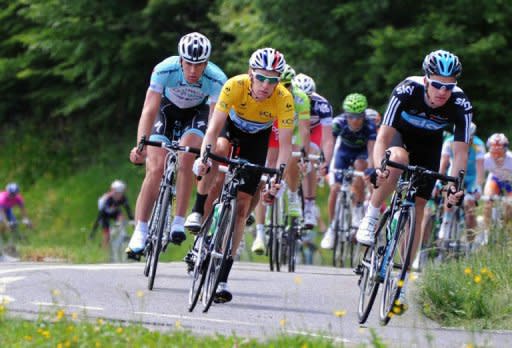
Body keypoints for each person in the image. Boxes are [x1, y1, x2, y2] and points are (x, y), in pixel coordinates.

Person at [356, 49, 471, 313]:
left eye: (449, 86)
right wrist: (377, 168)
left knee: (419, 208)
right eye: (438, 85)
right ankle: (372, 215)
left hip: (429, 147)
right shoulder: (407, 90)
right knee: (397, 159)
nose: (443, 92)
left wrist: (456, 186)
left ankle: (402, 281)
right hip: (399, 138)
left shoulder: (461, 104)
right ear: (426, 79)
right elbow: (383, 137)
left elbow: (460, 152)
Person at [186, 47, 293, 303]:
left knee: (243, 207)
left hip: (257, 139)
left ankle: (222, 278)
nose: (266, 85)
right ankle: (200, 211)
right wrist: (203, 158)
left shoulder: (284, 98)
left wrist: (277, 180)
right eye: (261, 78)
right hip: (229, 130)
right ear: (250, 74)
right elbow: (212, 130)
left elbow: (286, 146)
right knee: (219, 155)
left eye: (273, 80)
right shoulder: (235, 85)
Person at [126, 32, 227, 259]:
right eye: (189, 64)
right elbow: (149, 110)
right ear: (180, 59)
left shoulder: (217, 78)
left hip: (196, 115)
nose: (193, 70)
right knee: (155, 168)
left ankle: (179, 221)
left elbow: (213, 121)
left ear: (206, 63)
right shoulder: (164, 69)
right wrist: (141, 144)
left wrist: (205, 153)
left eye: (199, 65)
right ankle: (140, 231)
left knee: (186, 156)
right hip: (166, 112)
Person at [251, 64, 311, 254]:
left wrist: (304, 155)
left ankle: (293, 197)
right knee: (262, 178)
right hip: (269, 131)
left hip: (288, 132)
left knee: (294, 154)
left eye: (288, 85)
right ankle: (260, 234)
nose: (284, 90)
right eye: (281, 85)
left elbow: (304, 130)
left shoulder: (300, 98)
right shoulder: (267, 94)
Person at [321, 93, 376, 249]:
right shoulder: (338, 123)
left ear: (364, 115)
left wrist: (370, 168)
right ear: (346, 114)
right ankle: (331, 229)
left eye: (359, 116)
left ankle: (358, 208)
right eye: (351, 116)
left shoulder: (370, 126)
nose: (355, 120)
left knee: (361, 167)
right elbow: (329, 145)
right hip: (343, 153)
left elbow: (372, 151)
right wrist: (325, 163)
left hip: (361, 154)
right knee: (335, 189)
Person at [293, 73, 334, 229]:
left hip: (314, 131)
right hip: (295, 130)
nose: (305, 100)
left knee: (310, 157)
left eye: (308, 96)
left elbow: (328, 138)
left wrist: (325, 162)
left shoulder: (322, 105)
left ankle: (309, 205)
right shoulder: (288, 100)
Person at [437, 122, 485, 245]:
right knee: (449, 190)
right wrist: (438, 181)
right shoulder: (449, 142)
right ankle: (446, 222)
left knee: (469, 204)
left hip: (471, 177)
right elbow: (443, 163)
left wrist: (478, 186)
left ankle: (470, 242)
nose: (467, 140)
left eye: (470, 137)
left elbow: (480, 168)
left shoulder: (478, 145)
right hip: (454, 173)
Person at [482, 133, 512, 234]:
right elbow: (477, 174)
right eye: (493, 152)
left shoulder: (511, 159)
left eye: (499, 152)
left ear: (505, 150)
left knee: (509, 205)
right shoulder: (485, 159)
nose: (496, 156)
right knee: (487, 201)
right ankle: (486, 231)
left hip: (510, 183)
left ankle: (505, 228)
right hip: (495, 180)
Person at [92, 180, 134, 249]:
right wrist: (93, 232)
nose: (120, 195)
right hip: (104, 214)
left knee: (121, 216)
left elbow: (128, 211)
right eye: (118, 193)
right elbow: (100, 216)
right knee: (106, 235)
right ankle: (104, 248)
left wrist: (134, 224)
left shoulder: (123, 198)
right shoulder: (107, 199)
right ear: (114, 192)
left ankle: (122, 233)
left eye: (121, 193)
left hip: (114, 212)